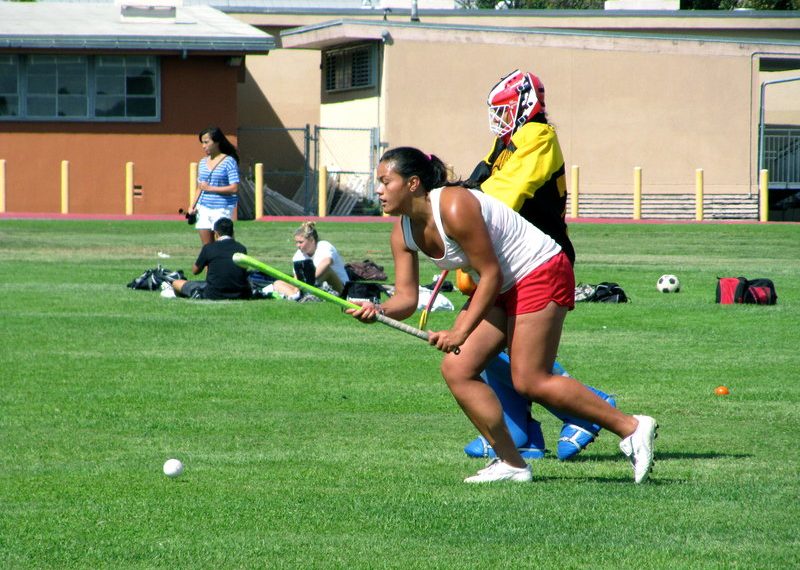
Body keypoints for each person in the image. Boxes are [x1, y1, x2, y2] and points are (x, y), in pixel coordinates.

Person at [348, 147, 657, 484]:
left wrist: (459, 330)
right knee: (457, 368)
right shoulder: (402, 232)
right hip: (502, 286)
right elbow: (406, 299)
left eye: (384, 181)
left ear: (412, 184)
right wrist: (378, 309)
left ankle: (632, 427)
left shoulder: (453, 204)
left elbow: (491, 273)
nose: (377, 190)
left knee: (531, 379)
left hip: (539, 270)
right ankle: (512, 463)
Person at [461, 69, 616, 462]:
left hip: (537, 259)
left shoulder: (537, 136)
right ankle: (518, 430)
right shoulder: (504, 144)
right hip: (504, 259)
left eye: (502, 109)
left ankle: (587, 409)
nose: (496, 118)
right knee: (476, 344)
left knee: (513, 354)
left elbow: (501, 196)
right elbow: (476, 185)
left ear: (523, 105)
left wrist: (459, 223)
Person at [168, 217, 251, 300]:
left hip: (213, 294)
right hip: (239, 293)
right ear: (233, 232)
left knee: (176, 283)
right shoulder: (241, 248)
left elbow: (195, 271)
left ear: (216, 233)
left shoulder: (209, 248)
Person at [270, 221, 350, 301]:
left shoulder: (324, 246)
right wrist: (297, 288)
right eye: (296, 242)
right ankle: (296, 296)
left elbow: (327, 262)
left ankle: (303, 295)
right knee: (278, 283)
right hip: (311, 287)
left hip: (340, 289)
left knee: (327, 271)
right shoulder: (297, 256)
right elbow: (297, 278)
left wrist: (307, 283)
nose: (298, 245)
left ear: (312, 240)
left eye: (301, 242)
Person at [187, 126, 240, 246]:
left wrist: (211, 188)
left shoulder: (229, 161)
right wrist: (192, 206)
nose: (203, 146)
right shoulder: (202, 162)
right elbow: (200, 187)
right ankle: (208, 266)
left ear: (217, 142)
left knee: (224, 246)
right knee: (207, 249)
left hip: (222, 208)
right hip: (204, 208)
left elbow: (234, 188)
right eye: (202, 143)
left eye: (206, 142)